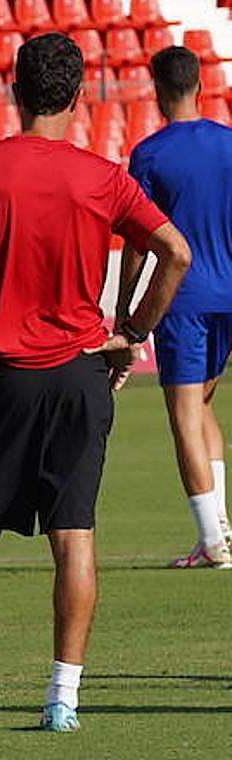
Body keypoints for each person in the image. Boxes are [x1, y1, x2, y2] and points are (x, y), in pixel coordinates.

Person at [0, 33, 191, 734]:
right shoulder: (102, 175)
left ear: (14, 88)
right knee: (76, 536)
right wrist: (135, 333)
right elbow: (173, 251)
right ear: (79, 92)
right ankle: (63, 701)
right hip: (78, 376)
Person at [118, 45, 232, 569]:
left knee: (184, 416)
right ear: (200, 87)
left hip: (183, 299)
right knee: (204, 406)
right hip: (229, 293)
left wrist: (125, 308)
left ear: (158, 92)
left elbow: (139, 241)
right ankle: (219, 530)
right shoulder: (229, 143)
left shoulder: (150, 154)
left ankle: (212, 543)